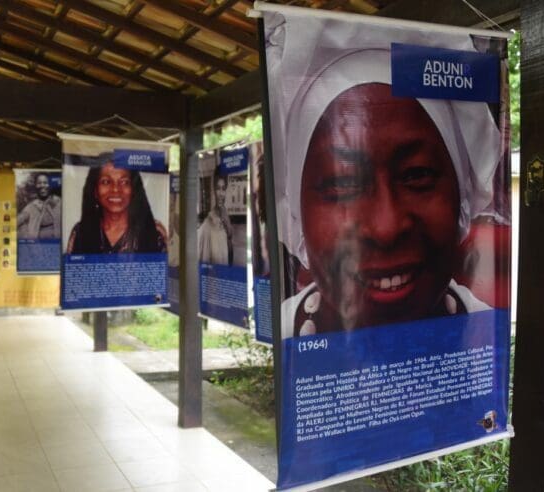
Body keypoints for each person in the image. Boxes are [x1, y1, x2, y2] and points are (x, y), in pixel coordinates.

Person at [278, 48, 502, 337]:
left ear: (462, 193)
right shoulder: (280, 344)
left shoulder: (486, 343)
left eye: (417, 175)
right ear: (297, 212)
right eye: (343, 182)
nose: (387, 228)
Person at [67, 160, 166, 254]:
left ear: (134, 190)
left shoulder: (153, 231)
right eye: (106, 182)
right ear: (95, 191)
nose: (115, 189)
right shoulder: (81, 232)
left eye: (124, 182)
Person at [198, 169, 233, 265]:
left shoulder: (225, 218)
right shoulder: (207, 226)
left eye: (223, 188)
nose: (221, 194)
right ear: (213, 190)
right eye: (218, 188)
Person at [17, 173, 61, 240]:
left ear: (50, 185)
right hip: (38, 247)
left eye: (45, 182)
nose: (42, 185)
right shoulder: (31, 207)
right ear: (35, 186)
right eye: (39, 183)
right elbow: (16, 222)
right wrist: (25, 234)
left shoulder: (59, 203)